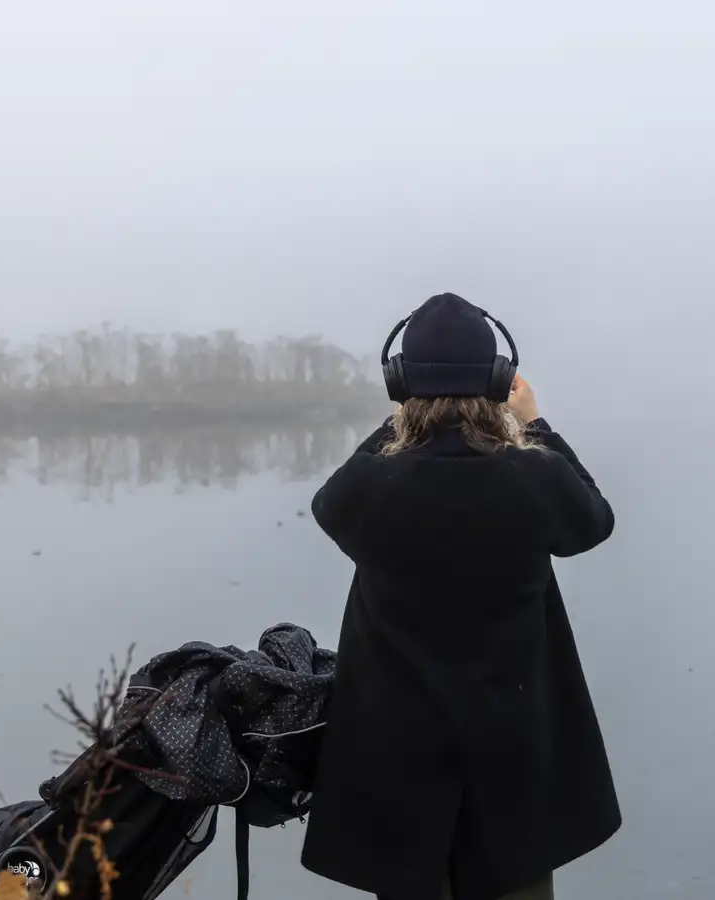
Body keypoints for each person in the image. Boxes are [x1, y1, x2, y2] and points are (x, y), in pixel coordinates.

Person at [300, 293, 619, 900]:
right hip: (514, 762)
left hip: (397, 765)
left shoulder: (370, 488)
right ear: (500, 382)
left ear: (399, 385)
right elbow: (593, 523)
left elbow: (329, 502)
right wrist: (535, 425)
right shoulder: (535, 475)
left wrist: (405, 417)